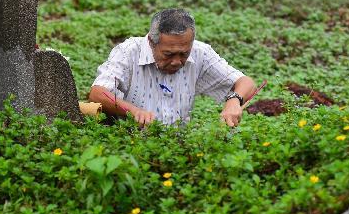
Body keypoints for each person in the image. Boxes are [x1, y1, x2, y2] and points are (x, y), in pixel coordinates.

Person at [88, 8, 256, 127]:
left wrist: (235, 100)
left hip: (176, 146)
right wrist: (134, 111)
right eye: (168, 54)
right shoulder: (129, 51)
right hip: (129, 143)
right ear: (151, 43)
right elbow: (98, 93)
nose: (177, 61)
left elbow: (247, 83)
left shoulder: (200, 52)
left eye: (184, 54)